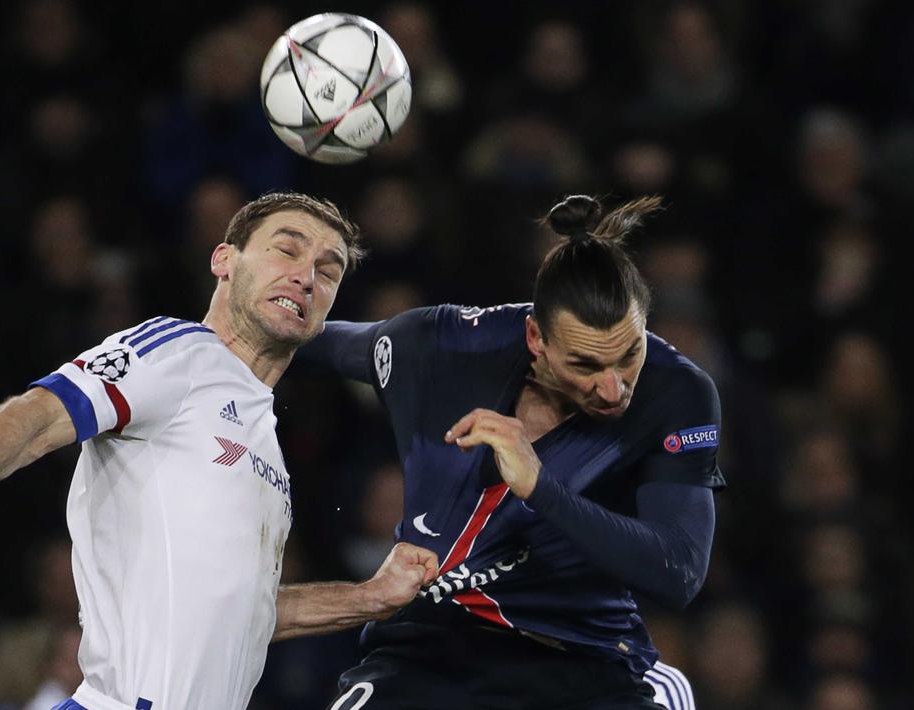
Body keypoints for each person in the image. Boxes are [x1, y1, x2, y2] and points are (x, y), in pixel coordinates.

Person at [0, 192, 441, 710]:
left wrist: (370, 597)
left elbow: (244, 614)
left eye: (327, 270)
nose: (306, 275)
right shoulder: (178, 352)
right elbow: (37, 415)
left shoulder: (264, 441)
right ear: (224, 260)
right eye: (286, 250)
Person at [296, 194, 723, 709]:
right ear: (536, 337)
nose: (613, 388)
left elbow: (679, 572)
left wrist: (541, 488)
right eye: (585, 364)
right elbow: (304, 345)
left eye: (629, 355)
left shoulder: (676, 394)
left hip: (584, 662)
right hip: (430, 650)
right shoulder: (445, 348)